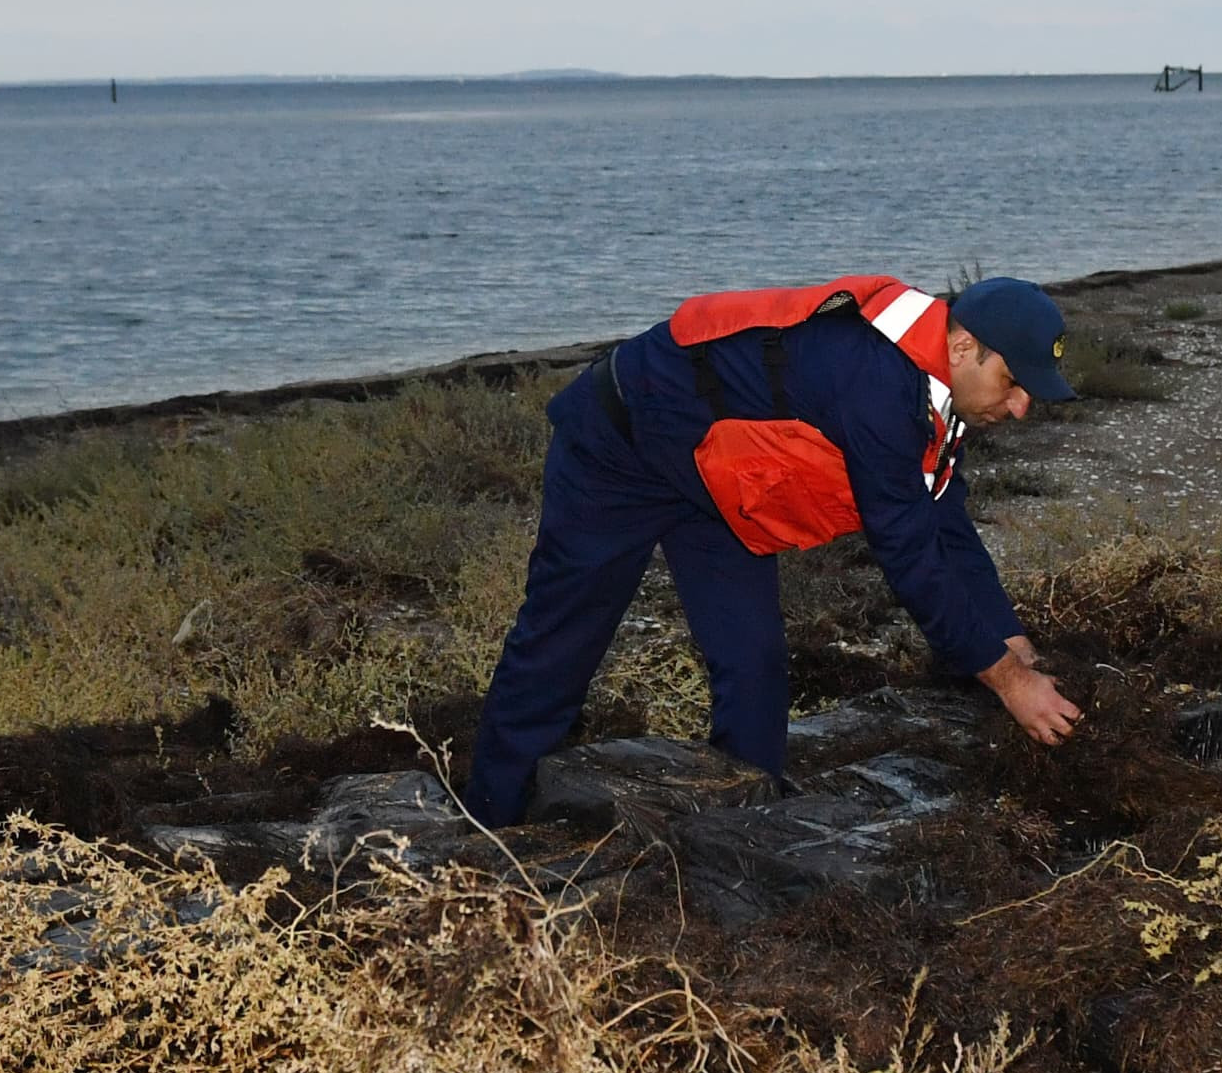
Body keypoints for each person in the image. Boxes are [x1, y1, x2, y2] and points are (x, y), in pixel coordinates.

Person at [463, 276, 1085, 825]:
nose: (1022, 407)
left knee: (753, 660)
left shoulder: (935, 396)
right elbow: (911, 558)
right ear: (962, 347)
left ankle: (746, 834)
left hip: (715, 477)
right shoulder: (877, 385)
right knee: (559, 647)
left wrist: (1007, 637)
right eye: (1013, 382)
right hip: (617, 448)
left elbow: (946, 521)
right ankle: (490, 825)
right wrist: (1007, 683)